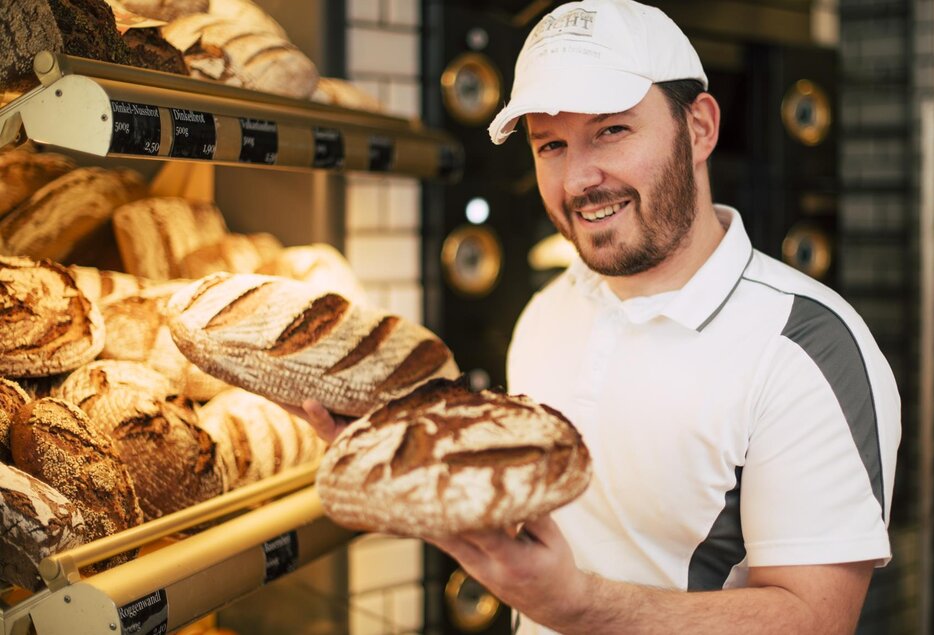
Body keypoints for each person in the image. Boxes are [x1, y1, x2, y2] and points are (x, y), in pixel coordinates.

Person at [305, 1, 901, 632]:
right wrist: (405, 464)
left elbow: (814, 619)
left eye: (612, 131)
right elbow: (535, 543)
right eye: (551, 145)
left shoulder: (804, 346)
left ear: (699, 128)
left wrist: (577, 606)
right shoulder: (547, 311)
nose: (580, 178)